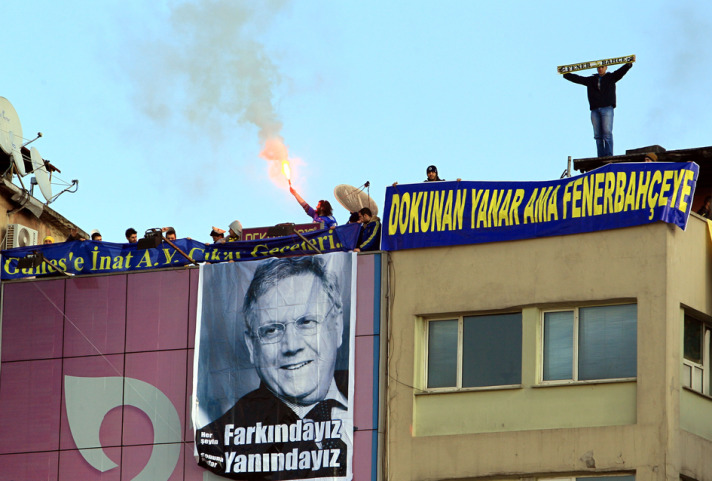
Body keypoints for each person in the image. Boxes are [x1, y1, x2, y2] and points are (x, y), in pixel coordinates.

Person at [196, 256, 349, 479]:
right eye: (271, 331)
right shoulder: (219, 438)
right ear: (251, 345)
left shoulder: (374, 400)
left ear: (336, 325)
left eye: (306, 322)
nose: (292, 346)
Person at [563, 58, 634, 158]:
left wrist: (628, 65)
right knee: (597, 135)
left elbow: (621, 72)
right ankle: (600, 156)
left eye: (602, 67)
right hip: (595, 109)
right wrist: (566, 75)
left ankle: (608, 155)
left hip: (607, 108)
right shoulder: (591, 80)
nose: (600, 69)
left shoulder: (611, 77)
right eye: (598, 67)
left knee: (607, 132)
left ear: (606, 67)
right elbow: (578, 79)